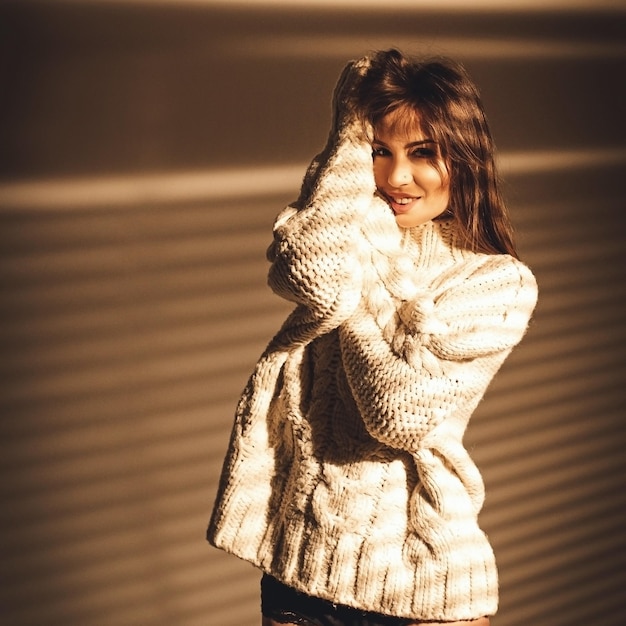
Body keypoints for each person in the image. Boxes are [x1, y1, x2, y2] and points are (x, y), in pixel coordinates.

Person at [207, 49, 538, 626]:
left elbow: (399, 416)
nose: (395, 177)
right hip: (301, 578)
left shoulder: (496, 281)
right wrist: (349, 126)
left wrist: (355, 297)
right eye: (379, 151)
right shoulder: (340, 230)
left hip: (424, 590)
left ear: (462, 160)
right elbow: (304, 270)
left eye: (422, 154)